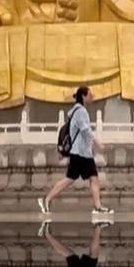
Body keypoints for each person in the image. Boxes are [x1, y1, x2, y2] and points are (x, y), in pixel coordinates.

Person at [39, 86, 113, 217]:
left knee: (93, 179)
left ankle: (97, 206)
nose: (92, 97)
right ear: (83, 96)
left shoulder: (76, 111)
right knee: (70, 179)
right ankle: (47, 200)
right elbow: (85, 130)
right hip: (80, 153)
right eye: (90, 95)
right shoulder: (81, 111)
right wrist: (98, 143)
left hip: (83, 152)